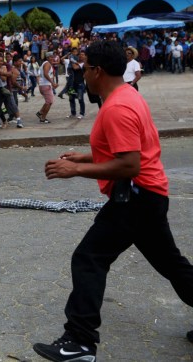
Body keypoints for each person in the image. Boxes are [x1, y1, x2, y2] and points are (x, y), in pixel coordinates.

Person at [34, 40, 193, 362]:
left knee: (89, 258)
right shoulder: (127, 95)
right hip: (147, 195)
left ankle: (79, 342)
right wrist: (86, 156)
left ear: (98, 71)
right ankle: (79, 340)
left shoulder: (118, 106)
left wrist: (75, 169)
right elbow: (123, 150)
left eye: (84, 67)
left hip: (135, 196)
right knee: (171, 264)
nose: (82, 73)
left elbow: (129, 163)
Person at [37, 51, 58, 124]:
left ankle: (40, 113)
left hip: (44, 85)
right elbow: (46, 74)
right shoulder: (47, 64)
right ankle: (43, 118)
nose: (53, 58)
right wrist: (52, 83)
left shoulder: (46, 63)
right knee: (49, 102)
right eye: (51, 57)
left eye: (53, 57)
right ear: (48, 57)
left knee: (48, 102)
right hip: (45, 85)